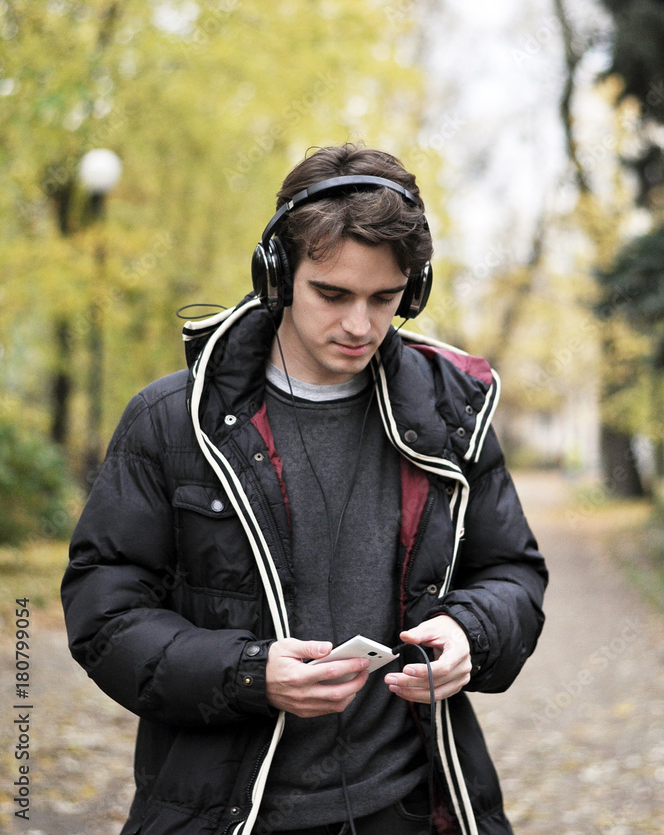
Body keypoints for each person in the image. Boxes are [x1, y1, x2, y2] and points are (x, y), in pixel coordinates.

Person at [62, 143, 548, 835]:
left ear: (413, 290)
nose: (360, 325)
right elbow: (103, 616)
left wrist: (473, 632)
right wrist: (247, 673)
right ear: (278, 274)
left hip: (411, 807)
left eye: (384, 299)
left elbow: (511, 572)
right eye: (333, 293)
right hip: (230, 815)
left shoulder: (451, 414)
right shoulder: (172, 421)